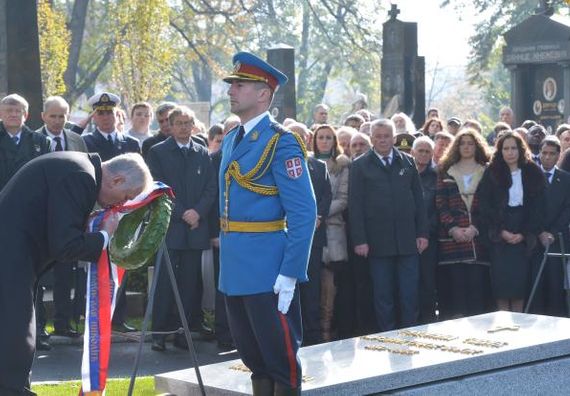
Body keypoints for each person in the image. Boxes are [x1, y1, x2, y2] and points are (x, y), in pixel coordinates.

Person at [0, 151, 151, 395]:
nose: (118, 206)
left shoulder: (77, 166)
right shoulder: (81, 177)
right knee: (16, 338)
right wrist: (104, 236)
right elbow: (65, 246)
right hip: (10, 260)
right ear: (117, 180)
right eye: (124, 197)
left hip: (13, 257)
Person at [219, 52, 316, 395]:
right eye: (232, 84)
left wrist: (291, 271)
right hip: (235, 268)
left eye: (240, 85)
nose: (231, 90)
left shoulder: (282, 141)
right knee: (254, 359)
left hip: (268, 269)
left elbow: (304, 213)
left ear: (263, 94)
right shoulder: (232, 138)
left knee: (282, 361)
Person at [147, 106, 216, 351]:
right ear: (170, 125)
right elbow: (158, 188)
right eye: (179, 123)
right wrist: (183, 213)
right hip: (170, 227)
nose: (184, 127)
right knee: (165, 281)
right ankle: (159, 333)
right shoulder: (158, 152)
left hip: (196, 227)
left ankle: (182, 332)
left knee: (190, 283)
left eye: (188, 123)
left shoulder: (202, 152)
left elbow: (211, 187)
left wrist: (198, 212)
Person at [349, 119, 428, 331]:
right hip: (377, 242)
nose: (383, 140)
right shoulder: (359, 165)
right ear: (372, 138)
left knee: (409, 294)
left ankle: (411, 336)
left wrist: (422, 233)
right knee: (383, 296)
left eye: (386, 136)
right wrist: (360, 240)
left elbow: (419, 201)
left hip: (407, 240)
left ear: (394, 138)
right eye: (378, 137)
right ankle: (388, 338)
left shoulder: (408, 162)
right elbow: (355, 206)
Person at [82, 91, 141, 332]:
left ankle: (118, 317)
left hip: (124, 211)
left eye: (109, 112)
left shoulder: (131, 143)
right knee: (95, 263)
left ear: (117, 114)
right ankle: (92, 315)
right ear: (94, 116)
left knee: (120, 261)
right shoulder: (87, 142)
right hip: (97, 210)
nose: (106, 117)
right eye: (101, 112)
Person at [37, 96, 88, 343]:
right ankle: (38, 328)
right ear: (43, 116)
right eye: (53, 116)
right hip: (41, 216)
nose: (58, 121)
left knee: (65, 273)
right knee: (38, 275)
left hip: (69, 216)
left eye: (62, 116)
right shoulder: (34, 139)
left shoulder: (77, 140)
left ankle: (63, 323)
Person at [477, 131, 545, 313]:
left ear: (520, 149)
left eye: (513, 148)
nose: (510, 152)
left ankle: (519, 326)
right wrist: (500, 232)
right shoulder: (492, 173)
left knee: (519, 287)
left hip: (523, 235)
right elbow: (484, 206)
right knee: (501, 288)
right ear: (500, 151)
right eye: (506, 148)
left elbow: (538, 208)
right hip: (500, 238)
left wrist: (524, 233)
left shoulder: (532, 172)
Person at [435, 129, 491, 319]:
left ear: (477, 146)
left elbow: (490, 206)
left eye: (470, 143)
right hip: (453, 242)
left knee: (477, 296)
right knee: (456, 295)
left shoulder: (487, 170)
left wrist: (476, 227)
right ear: (456, 147)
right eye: (462, 143)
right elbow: (440, 204)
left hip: (478, 241)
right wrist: (453, 228)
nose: (466, 147)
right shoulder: (445, 170)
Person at [312, 124, 350, 341]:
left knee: (330, 286)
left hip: (332, 230)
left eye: (328, 137)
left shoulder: (342, 165)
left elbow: (343, 199)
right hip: (310, 229)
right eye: (321, 137)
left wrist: (320, 214)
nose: (324, 141)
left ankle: (327, 329)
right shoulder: (307, 163)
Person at [529, 137, 570, 316]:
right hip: (535, 240)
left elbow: (567, 209)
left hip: (557, 239)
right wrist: (540, 232)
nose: (547, 157)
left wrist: (552, 233)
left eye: (551, 154)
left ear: (558, 155)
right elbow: (529, 208)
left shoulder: (566, 179)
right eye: (544, 153)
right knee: (536, 286)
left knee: (555, 286)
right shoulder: (531, 177)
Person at [411, 136, 438, 323]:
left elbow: (439, 207)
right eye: (420, 150)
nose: (423, 154)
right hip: (405, 238)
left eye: (427, 151)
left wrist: (424, 232)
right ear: (412, 152)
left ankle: (427, 322)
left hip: (429, 239)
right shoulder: (403, 173)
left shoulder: (437, 176)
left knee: (428, 283)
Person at [0, 94, 51, 191]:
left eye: (18, 111)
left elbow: (47, 176)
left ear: (26, 115)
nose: (13, 114)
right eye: (9, 110)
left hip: (30, 200)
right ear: (0, 114)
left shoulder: (41, 141)